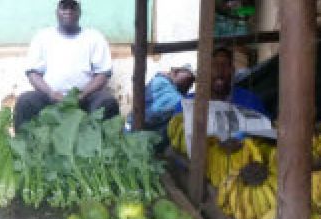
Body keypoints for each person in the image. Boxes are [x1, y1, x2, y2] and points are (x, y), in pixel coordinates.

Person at [14, 0, 119, 130]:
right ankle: (25, 148)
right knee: (25, 101)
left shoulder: (94, 37)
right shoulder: (43, 37)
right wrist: (51, 93)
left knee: (107, 102)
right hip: (50, 98)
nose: (68, 11)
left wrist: (82, 95)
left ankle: (105, 148)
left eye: (73, 7)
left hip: (85, 98)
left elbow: (103, 74)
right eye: (64, 7)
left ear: (79, 12)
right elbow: (33, 73)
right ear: (56, 11)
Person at [175, 47, 269, 118]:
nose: (220, 70)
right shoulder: (186, 105)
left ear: (233, 71)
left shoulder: (250, 101)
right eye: (214, 65)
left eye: (225, 65)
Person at [143, 65, 195, 131]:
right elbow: (155, 112)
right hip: (143, 132)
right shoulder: (161, 82)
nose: (189, 83)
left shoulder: (170, 87)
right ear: (175, 72)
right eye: (188, 76)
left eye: (191, 82)